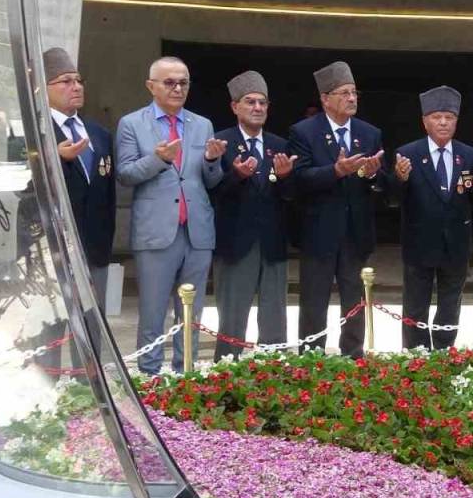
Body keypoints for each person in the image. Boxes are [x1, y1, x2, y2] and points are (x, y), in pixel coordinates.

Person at [115, 56, 227, 374]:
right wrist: (158, 159)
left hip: (197, 229)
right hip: (156, 231)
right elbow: (124, 174)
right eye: (170, 82)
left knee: (191, 313)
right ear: (151, 86)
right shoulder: (132, 123)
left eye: (183, 82)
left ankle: (186, 374)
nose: (177, 88)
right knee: (153, 312)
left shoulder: (202, 124)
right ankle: (150, 378)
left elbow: (210, 180)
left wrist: (210, 160)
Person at [287, 61, 386, 358]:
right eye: (344, 93)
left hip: (356, 232)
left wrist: (372, 174)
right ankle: (312, 358)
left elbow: (382, 182)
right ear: (325, 99)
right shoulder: (304, 132)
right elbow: (299, 179)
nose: (352, 98)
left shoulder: (370, 133)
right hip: (319, 232)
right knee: (314, 301)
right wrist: (336, 171)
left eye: (354, 93)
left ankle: (353, 355)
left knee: (354, 300)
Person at [390, 86, 473, 350]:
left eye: (449, 117)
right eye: (437, 117)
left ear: (456, 121)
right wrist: (399, 179)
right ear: (424, 121)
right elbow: (392, 199)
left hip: (456, 244)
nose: (443, 122)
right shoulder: (408, 154)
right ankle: (416, 355)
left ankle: (444, 353)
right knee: (415, 305)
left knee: (450, 304)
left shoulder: (468, 155)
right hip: (418, 243)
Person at [210, 71, 297, 359]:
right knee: (232, 320)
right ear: (235, 106)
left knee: (275, 320)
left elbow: (291, 197)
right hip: (235, 244)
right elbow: (212, 193)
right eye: (250, 102)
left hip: (272, 244)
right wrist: (236, 175)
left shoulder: (280, 145)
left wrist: (285, 178)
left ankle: (274, 377)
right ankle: (226, 378)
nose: (257, 108)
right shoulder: (220, 143)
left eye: (262, 103)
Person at [42, 48, 116, 308]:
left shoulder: (100, 134)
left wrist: (106, 243)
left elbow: (108, 196)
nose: (76, 87)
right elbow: (25, 187)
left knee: (93, 329)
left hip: (95, 248)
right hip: (52, 250)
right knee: (49, 330)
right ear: (43, 87)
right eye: (65, 81)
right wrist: (55, 159)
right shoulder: (36, 134)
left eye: (78, 80)